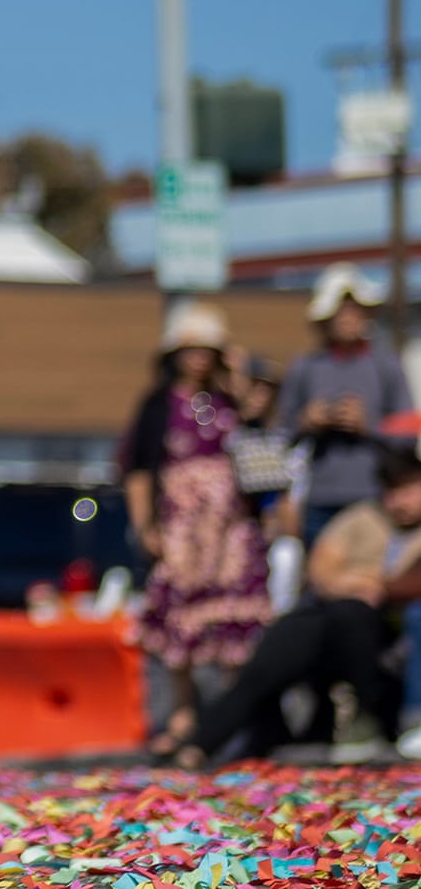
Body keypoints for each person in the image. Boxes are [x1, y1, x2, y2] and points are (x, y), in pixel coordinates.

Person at [154, 437, 421, 765]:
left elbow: (408, 585)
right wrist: (362, 584)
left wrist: (373, 584)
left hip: (386, 629)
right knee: (288, 637)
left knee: (350, 615)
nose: (399, 501)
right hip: (330, 620)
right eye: (391, 491)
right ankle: (204, 743)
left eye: (408, 489)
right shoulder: (363, 518)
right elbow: (322, 571)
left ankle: (365, 721)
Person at [122, 301, 271, 721]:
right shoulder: (158, 405)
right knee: (181, 617)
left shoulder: (230, 401)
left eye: (208, 350)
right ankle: (183, 713)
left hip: (230, 528)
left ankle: (231, 716)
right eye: (192, 349)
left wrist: (238, 377)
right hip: (182, 527)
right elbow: (139, 469)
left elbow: (259, 440)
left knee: (232, 618)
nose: (199, 358)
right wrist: (144, 524)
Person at [278, 268, 413, 550]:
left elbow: (409, 433)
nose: (349, 319)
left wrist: (369, 425)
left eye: (356, 311)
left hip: (374, 496)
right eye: (342, 312)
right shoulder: (306, 367)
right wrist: (307, 422)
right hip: (319, 498)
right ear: (326, 319)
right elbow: (281, 435)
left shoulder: (385, 366)